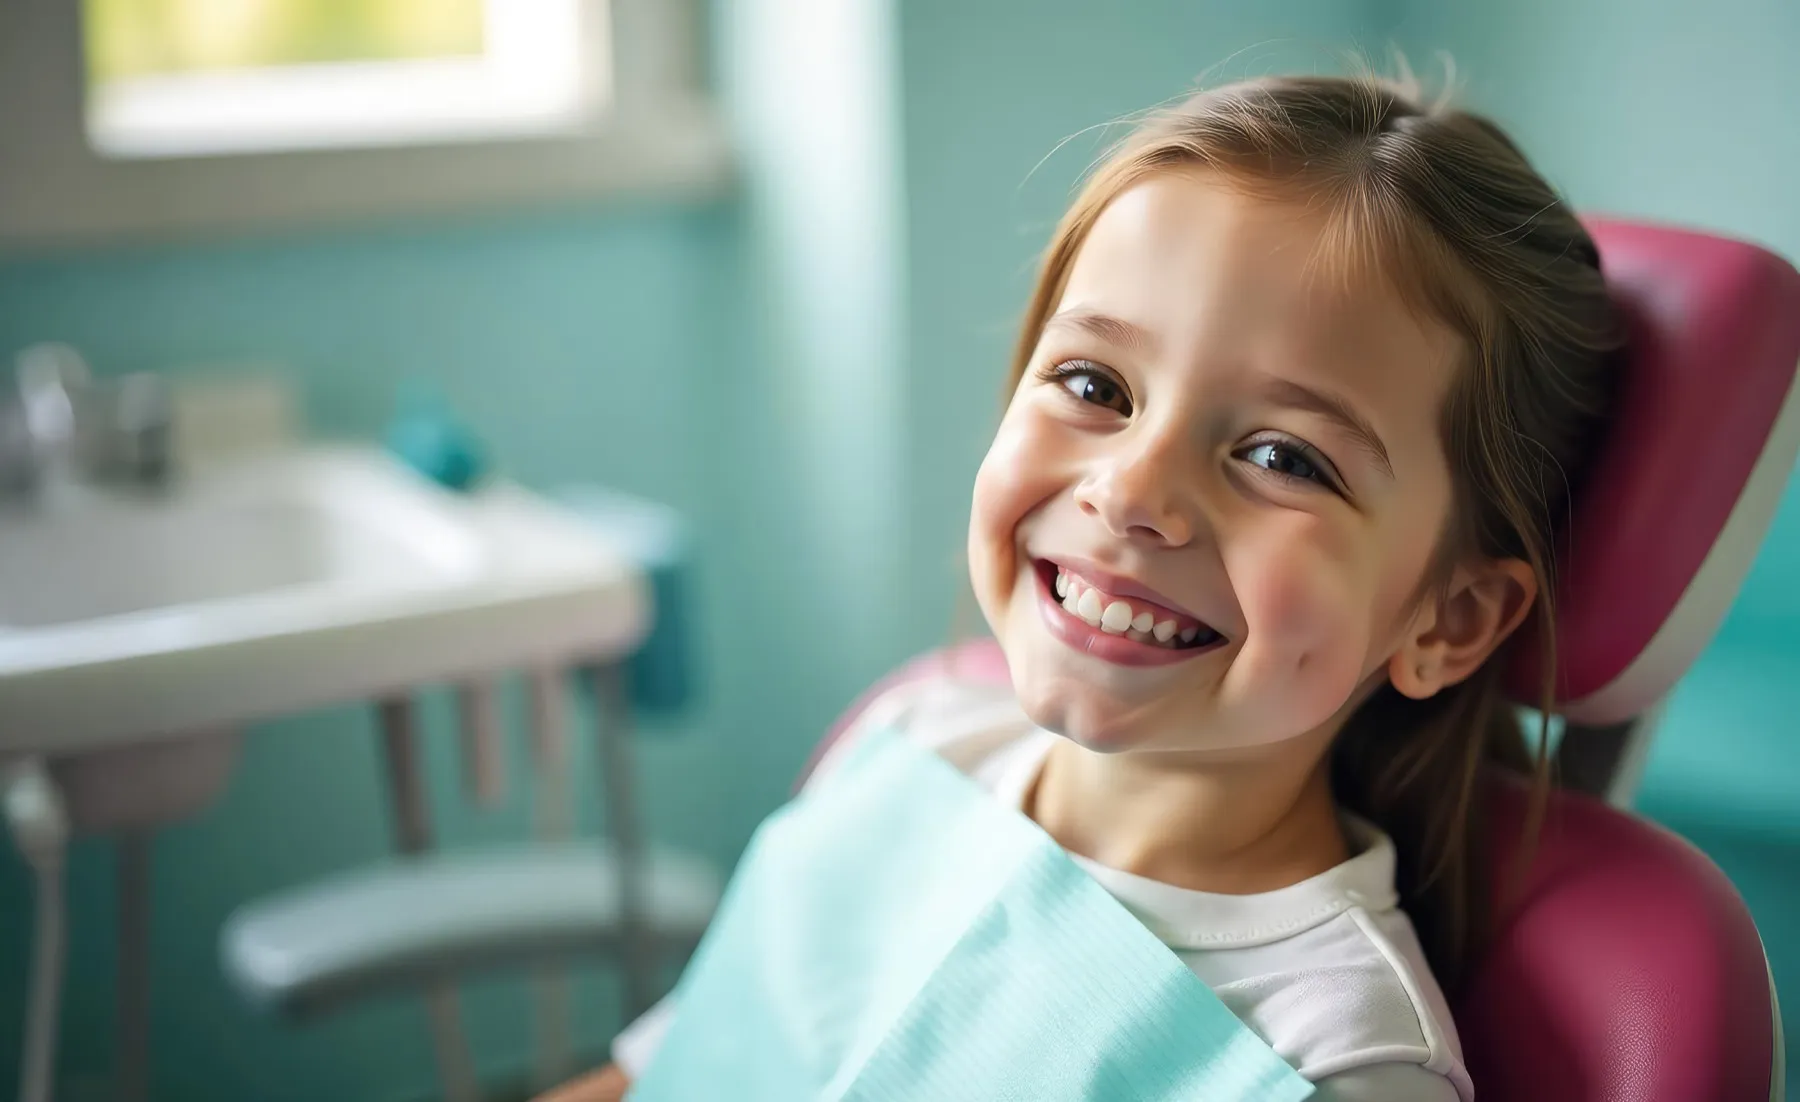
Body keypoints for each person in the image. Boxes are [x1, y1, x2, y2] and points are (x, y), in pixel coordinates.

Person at [536, 70, 1621, 1101]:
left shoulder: (1334, 1064)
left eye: (1285, 458)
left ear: (1454, 618)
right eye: (1095, 384)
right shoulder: (910, 746)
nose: (1131, 489)